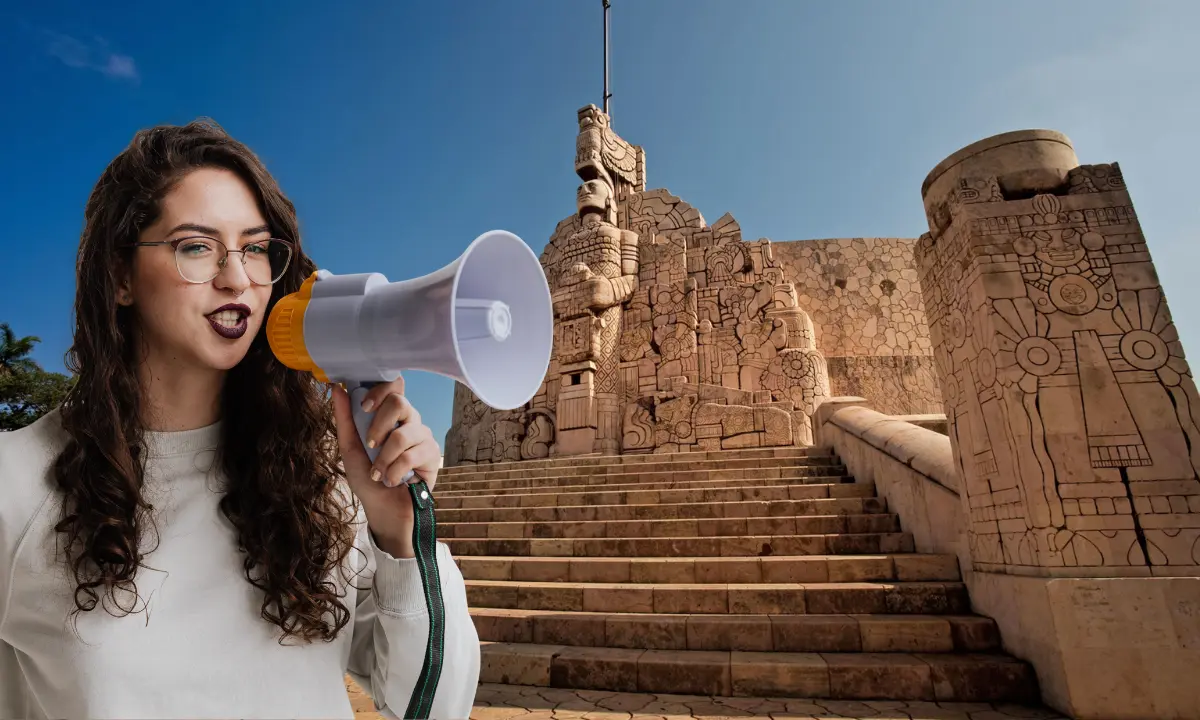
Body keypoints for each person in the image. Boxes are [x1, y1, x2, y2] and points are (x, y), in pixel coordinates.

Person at [0, 119, 481, 719]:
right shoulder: (16, 485)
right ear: (121, 276)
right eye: (196, 247)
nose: (237, 279)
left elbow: (434, 707)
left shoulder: (320, 481)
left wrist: (403, 539)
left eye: (255, 249)